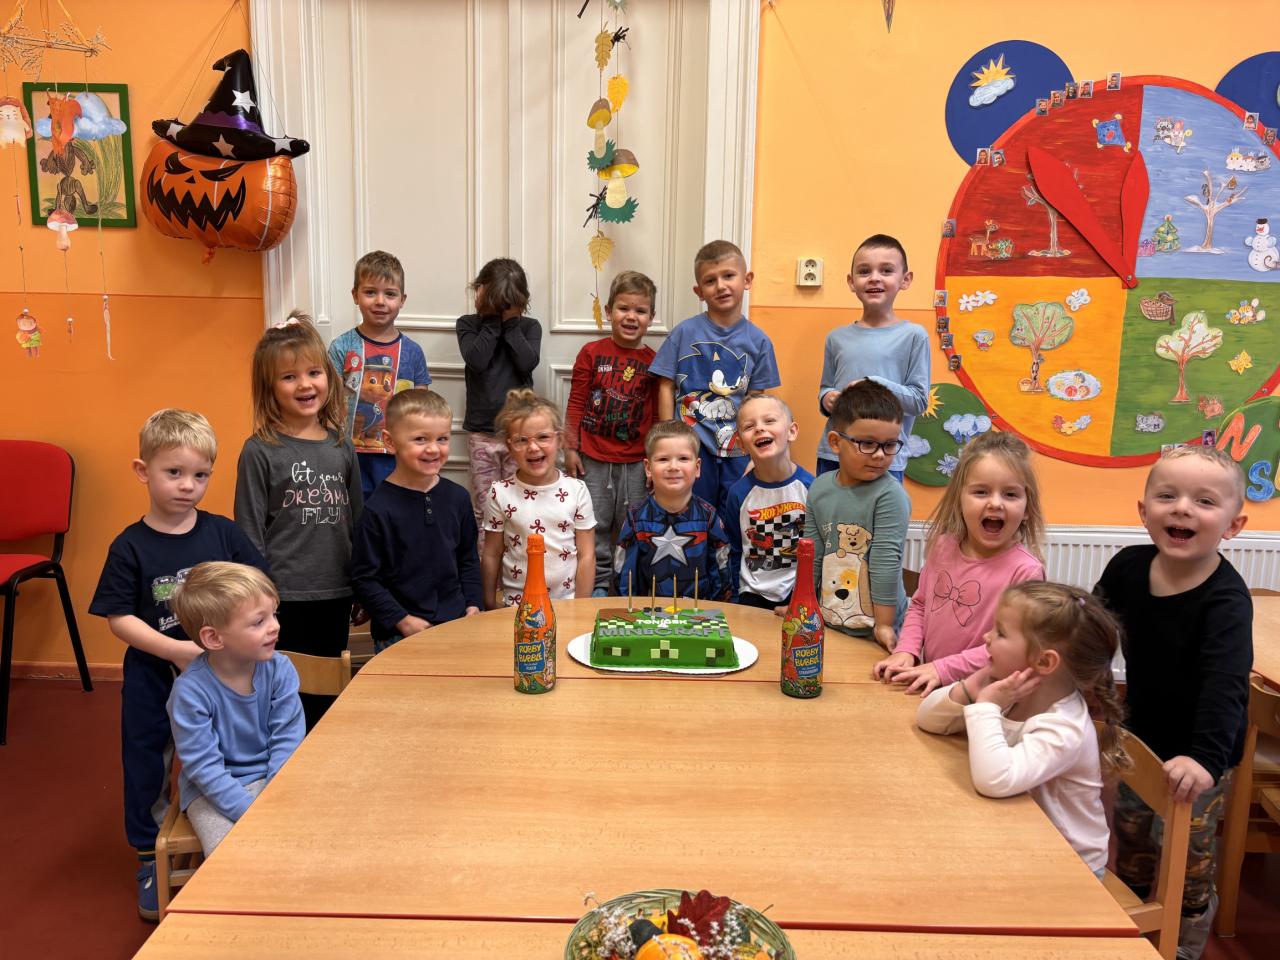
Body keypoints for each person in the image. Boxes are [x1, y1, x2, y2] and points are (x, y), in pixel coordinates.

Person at [88, 409, 266, 922]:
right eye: (174, 472)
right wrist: (176, 652)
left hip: (224, 674)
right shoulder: (130, 546)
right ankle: (150, 855)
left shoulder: (224, 535)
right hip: (155, 675)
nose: (189, 486)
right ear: (143, 471)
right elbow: (119, 617)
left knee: (229, 750)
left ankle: (229, 828)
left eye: (200, 474)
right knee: (148, 759)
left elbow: (255, 587)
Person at [1094, 444, 1252, 958]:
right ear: (1144, 512)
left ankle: (1184, 941)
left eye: (1204, 501)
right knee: (1133, 836)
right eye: (1168, 496)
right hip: (1140, 736)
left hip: (1200, 753)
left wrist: (1205, 759)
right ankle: (1136, 924)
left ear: (1233, 525)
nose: (1182, 508)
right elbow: (1093, 629)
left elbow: (1226, 687)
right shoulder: (1127, 566)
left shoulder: (1226, 600)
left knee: (1187, 858)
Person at [916, 582, 1124, 880]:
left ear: (1044, 661)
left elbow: (995, 780)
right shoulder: (1012, 691)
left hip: (1069, 870)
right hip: (1018, 840)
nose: (987, 637)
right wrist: (972, 687)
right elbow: (928, 719)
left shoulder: (1065, 728)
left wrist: (986, 706)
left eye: (1000, 632)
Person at [235, 312, 362, 731]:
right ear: (270, 388)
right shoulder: (259, 450)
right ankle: (283, 756)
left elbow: (356, 517)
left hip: (336, 591)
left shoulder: (342, 445)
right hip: (282, 595)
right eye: (289, 377)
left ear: (328, 376)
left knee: (327, 688)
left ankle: (319, 756)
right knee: (283, 690)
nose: (305, 385)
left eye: (313, 373)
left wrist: (361, 581)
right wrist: (260, 594)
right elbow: (249, 529)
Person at [874, 432, 1046, 694]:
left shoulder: (1026, 571)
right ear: (959, 499)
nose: (995, 503)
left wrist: (942, 669)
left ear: (1027, 509)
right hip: (929, 685)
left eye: (1010, 494)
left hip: (985, 698)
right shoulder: (943, 546)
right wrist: (907, 649)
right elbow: (920, 604)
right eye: (981, 492)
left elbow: (1014, 648)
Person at [167, 562, 304, 855]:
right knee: (233, 856)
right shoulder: (190, 693)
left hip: (275, 776)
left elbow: (288, 740)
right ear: (214, 638)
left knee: (314, 835)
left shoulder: (280, 669)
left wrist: (275, 796)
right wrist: (252, 812)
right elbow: (205, 769)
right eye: (259, 621)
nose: (275, 626)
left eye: (274, 614)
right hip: (212, 792)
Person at [651, 240, 780, 529]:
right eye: (710, 281)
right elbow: (665, 385)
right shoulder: (683, 333)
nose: (720, 286)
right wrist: (667, 437)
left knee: (736, 515)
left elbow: (757, 399)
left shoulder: (759, 341)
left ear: (747, 280)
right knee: (690, 515)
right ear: (699, 291)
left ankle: (729, 560)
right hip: (691, 446)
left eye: (728, 276)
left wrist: (755, 448)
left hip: (738, 449)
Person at [351, 389, 482, 651]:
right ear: (390, 442)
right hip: (399, 635)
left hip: (456, 626)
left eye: (442, 439)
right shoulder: (377, 509)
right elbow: (364, 578)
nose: (433, 448)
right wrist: (403, 620)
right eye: (420, 439)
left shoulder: (458, 498)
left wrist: (473, 604)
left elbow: (468, 560)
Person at [563, 270, 658, 596]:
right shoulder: (591, 353)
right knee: (596, 525)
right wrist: (570, 448)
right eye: (623, 308)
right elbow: (576, 402)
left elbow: (656, 416)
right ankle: (598, 586)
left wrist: (654, 460)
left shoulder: (653, 361)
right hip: (593, 459)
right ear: (608, 311)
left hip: (637, 462)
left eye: (640, 310)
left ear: (651, 318)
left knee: (632, 524)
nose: (631, 316)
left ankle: (629, 584)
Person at [804, 381, 909, 648]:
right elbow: (811, 555)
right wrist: (801, 605)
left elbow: (886, 564)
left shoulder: (891, 496)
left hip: (876, 632)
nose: (879, 455)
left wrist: (884, 625)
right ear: (835, 442)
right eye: (868, 444)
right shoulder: (819, 488)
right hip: (829, 622)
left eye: (889, 445)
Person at [816, 234, 929, 483]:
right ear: (851, 281)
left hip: (884, 459)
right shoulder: (836, 338)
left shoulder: (914, 336)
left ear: (905, 279)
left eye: (886, 270)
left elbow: (919, 400)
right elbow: (825, 388)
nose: (874, 278)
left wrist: (873, 385)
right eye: (864, 271)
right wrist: (827, 398)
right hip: (835, 454)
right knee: (828, 508)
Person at [328, 250, 432, 500]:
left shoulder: (413, 352)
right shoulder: (341, 347)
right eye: (370, 292)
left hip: (399, 457)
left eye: (390, 294)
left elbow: (422, 410)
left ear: (402, 299)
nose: (380, 301)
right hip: (350, 456)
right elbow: (329, 403)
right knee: (355, 516)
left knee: (397, 513)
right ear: (355, 295)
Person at [481, 389, 594, 608]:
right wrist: (488, 603)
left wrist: (580, 608)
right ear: (509, 446)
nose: (533, 447)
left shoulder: (576, 490)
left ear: (559, 440)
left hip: (566, 604)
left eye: (543, 437)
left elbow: (586, 555)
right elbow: (492, 553)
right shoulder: (500, 493)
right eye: (522, 440)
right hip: (516, 608)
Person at [457, 258, 542, 533]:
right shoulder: (468, 324)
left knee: (519, 504)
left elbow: (527, 363)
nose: (502, 308)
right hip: (482, 433)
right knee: (485, 507)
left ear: (521, 301)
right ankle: (486, 560)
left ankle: (516, 559)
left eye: (508, 303)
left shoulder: (529, 327)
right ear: (479, 291)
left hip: (519, 433)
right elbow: (477, 360)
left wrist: (511, 324)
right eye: (496, 301)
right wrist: (492, 322)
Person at [616, 419, 730, 601]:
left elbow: (722, 571)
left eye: (683, 458)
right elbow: (624, 575)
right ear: (648, 468)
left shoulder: (708, 517)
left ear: (697, 468)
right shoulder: (636, 519)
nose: (673, 467)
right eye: (663, 459)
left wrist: (719, 608)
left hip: (700, 614)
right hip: (647, 614)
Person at [723, 393, 813, 613]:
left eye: (769, 420)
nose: (760, 428)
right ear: (741, 445)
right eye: (749, 426)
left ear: (792, 431)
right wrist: (734, 597)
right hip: (751, 595)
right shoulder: (737, 494)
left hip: (799, 593)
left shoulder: (812, 489)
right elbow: (734, 550)